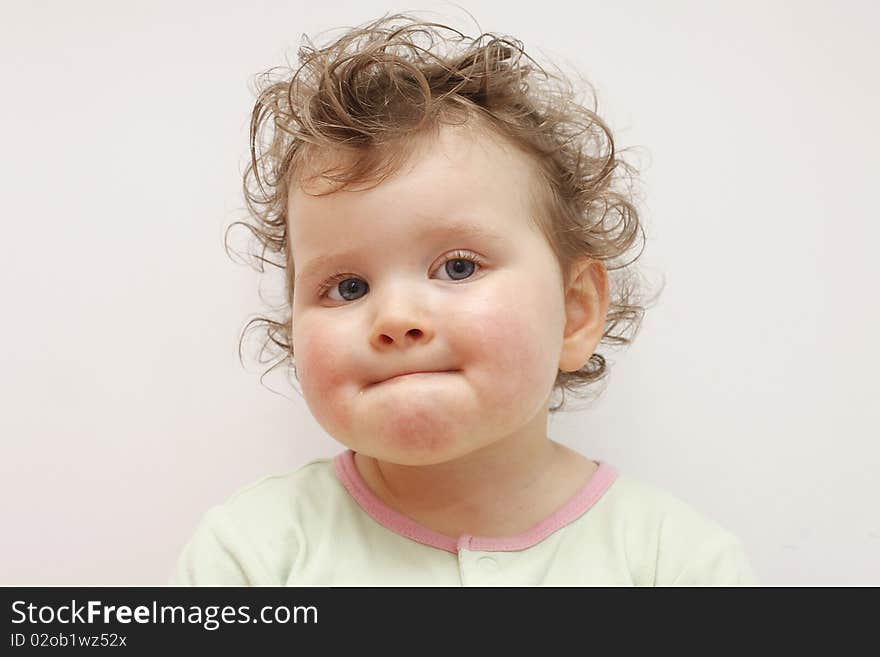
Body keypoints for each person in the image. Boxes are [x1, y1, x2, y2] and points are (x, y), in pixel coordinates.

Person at [172, 12, 758, 586]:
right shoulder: (251, 556)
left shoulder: (677, 565)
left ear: (575, 312)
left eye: (457, 267)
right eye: (348, 287)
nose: (396, 319)